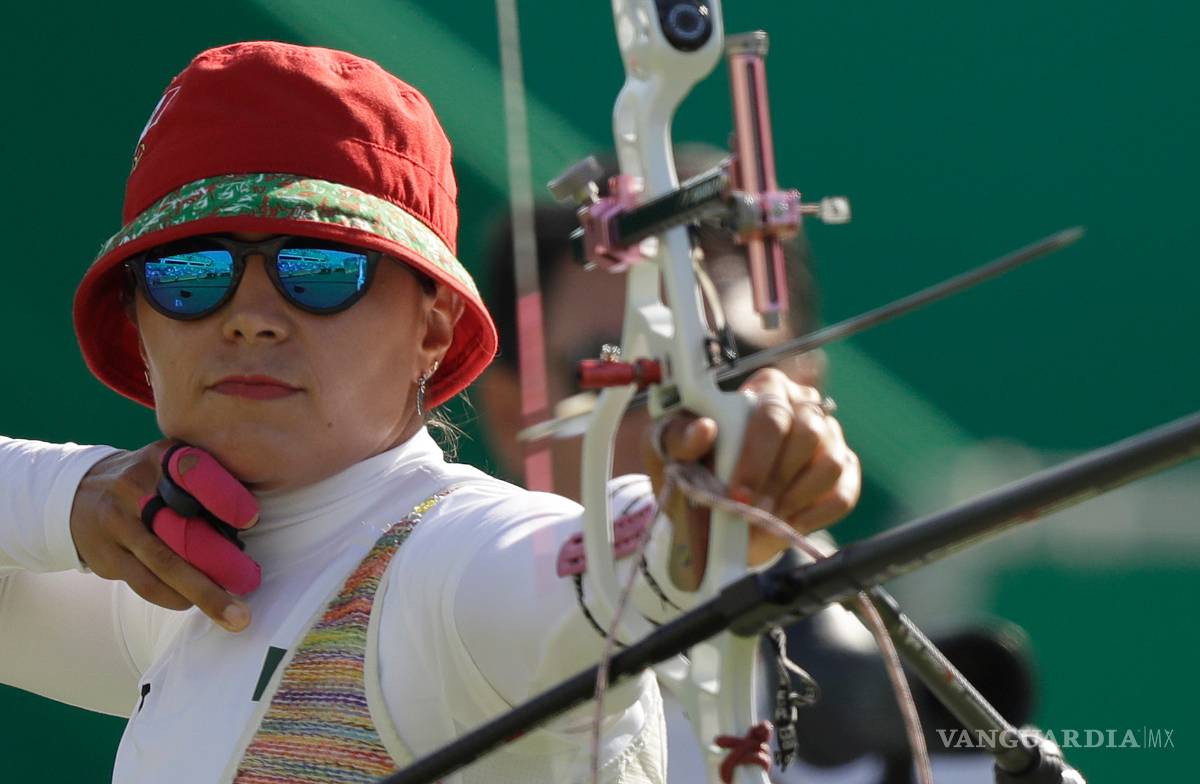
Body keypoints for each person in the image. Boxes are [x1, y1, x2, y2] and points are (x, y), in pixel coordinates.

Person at [0, 42, 861, 784]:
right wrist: (71, 495)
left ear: (432, 326)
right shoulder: (180, 595)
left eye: (321, 269)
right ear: (141, 326)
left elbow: (591, 576)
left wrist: (710, 503)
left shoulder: (443, 568)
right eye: (189, 275)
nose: (250, 314)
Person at [476, 190, 1034, 784]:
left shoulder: (956, 754)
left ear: (804, 386)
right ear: (517, 415)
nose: (687, 418)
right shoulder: (428, 686)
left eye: (732, 364)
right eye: (628, 371)